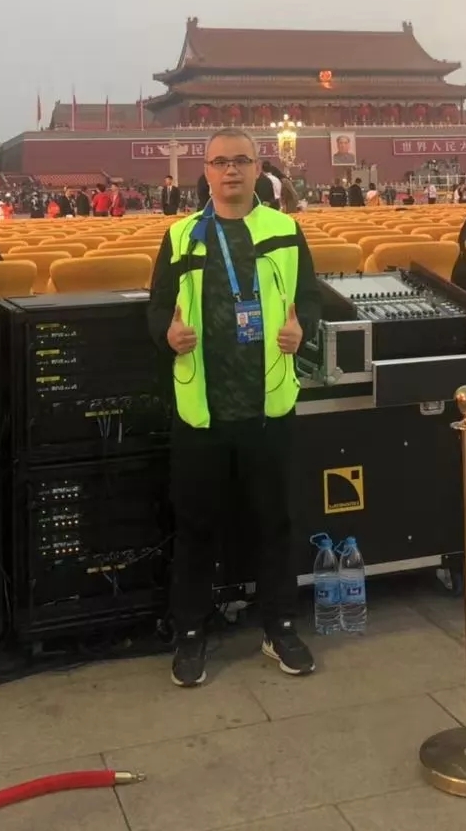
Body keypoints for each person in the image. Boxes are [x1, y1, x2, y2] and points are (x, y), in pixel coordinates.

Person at [147, 129, 321, 688]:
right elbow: (157, 308)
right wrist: (167, 334)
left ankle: (280, 627)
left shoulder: (284, 230)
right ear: (205, 170)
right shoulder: (180, 236)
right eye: (220, 162)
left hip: (268, 406)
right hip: (202, 409)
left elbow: (309, 298)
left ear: (256, 168)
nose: (230, 171)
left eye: (241, 161)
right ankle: (190, 634)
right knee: (196, 527)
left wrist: (302, 327)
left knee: (275, 523)